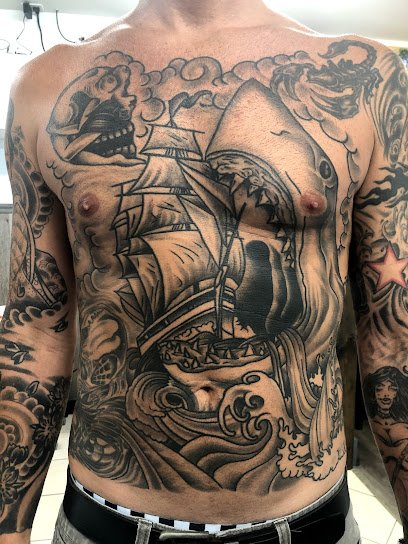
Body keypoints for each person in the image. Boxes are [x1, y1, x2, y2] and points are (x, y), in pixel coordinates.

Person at [0, 0, 407, 542]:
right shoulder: (43, 83)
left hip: (311, 523)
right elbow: (34, 330)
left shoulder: (369, 77)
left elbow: (393, 333)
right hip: (105, 523)